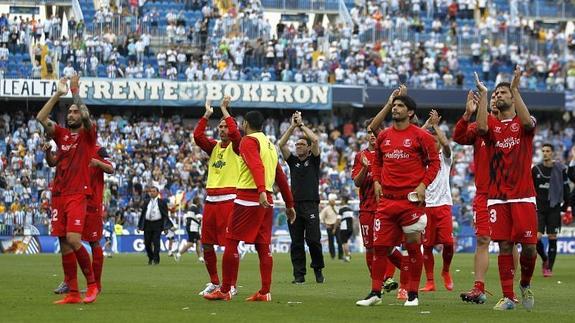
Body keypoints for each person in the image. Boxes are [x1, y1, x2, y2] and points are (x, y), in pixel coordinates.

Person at [356, 87, 440, 307]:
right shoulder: (383, 136)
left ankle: (412, 294)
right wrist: (375, 180)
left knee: (413, 247)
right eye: (394, 105)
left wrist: (423, 185)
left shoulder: (422, 136)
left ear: (410, 112)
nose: (396, 108)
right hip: (386, 202)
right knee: (379, 247)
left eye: (400, 106)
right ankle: (375, 292)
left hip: (410, 200)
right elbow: (377, 161)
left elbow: (435, 163)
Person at [204, 110, 296, 302]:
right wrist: (289, 203)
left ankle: (225, 289)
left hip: (249, 197)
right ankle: (264, 291)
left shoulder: (249, 141)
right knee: (263, 246)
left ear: (245, 124)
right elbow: (280, 175)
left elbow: (255, 166)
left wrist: (260, 189)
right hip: (267, 201)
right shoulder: (270, 145)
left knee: (231, 241)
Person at [476, 68, 538, 311]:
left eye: (503, 92)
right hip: (498, 197)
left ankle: (524, 283)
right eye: (497, 92)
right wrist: (483, 94)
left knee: (530, 247)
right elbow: (480, 128)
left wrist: (514, 88)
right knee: (504, 245)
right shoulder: (492, 125)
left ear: (512, 97)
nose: (498, 95)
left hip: (523, 195)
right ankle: (509, 297)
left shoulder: (524, 123)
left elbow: (526, 123)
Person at [37, 75, 99, 304]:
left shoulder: (88, 135)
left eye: (75, 112)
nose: (71, 114)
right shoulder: (61, 135)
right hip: (58, 195)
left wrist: (74, 91)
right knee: (63, 244)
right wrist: (58, 94)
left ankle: (91, 285)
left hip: (78, 194)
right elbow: (41, 117)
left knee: (74, 239)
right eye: (69, 112)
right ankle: (72, 292)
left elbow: (86, 116)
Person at [455, 90, 520, 304]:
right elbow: (458, 137)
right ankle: (479, 288)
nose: (494, 99)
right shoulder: (479, 129)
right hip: (484, 194)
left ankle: (511, 290)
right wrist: (467, 115)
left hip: (507, 194)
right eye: (490, 97)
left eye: (497, 97)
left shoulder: (514, 127)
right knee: (483, 239)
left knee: (509, 243)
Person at [193, 96, 241, 296]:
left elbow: (237, 135)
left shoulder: (238, 146)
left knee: (230, 244)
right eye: (219, 127)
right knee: (206, 243)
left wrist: (224, 110)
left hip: (229, 199)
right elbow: (197, 136)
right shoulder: (213, 147)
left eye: (224, 126)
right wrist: (207, 115)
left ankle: (231, 285)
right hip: (211, 200)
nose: (221, 129)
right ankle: (214, 282)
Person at [50, 145, 114, 295]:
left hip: (91, 203)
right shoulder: (68, 148)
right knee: (66, 239)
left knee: (94, 241)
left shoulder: (96, 149)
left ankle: (96, 284)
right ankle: (69, 281)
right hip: (74, 201)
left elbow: (111, 169)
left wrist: (97, 163)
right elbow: (54, 163)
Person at [278, 111, 325, 284]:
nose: (297, 146)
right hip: (294, 206)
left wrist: (302, 125)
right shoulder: (293, 162)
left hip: (311, 205)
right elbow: (281, 144)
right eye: (296, 144)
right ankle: (299, 276)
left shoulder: (313, 160)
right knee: (296, 242)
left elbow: (316, 140)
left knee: (313, 240)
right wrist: (292, 126)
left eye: (301, 144)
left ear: (307, 147)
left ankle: (318, 268)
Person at [419, 110, 455, 292]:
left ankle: (446, 271)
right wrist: (426, 125)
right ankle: (430, 281)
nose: (433, 143)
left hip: (443, 205)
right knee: (427, 246)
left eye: (435, 141)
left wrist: (435, 126)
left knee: (448, 243)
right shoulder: (422, 160)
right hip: (426, 207)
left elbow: (447, 144)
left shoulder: (445, 158)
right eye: (430, 141)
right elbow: (415, 134)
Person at [532, 143, 569, 277]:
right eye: (543, 151)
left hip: (554, 208)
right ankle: (545, 259)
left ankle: (549, 268)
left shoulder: (560, 169)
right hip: (539, 208)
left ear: (552, 153)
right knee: (536, 238)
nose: (545, 153)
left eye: (548, 151)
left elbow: (566, 188)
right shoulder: (536, 169)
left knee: (553, 236)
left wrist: (566, 204)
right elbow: (530, 189)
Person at [137, 186, 173, 265]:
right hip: (147, 224)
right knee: (147, 243)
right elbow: (143, 214)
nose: (152, 193)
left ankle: (156, 259)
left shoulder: (162, 202)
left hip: (157, 224)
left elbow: (165, 215)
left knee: (156, 242)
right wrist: (139, 226)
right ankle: (151, 257)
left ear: (157, 193)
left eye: (153, 191)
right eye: (151, 191)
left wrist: (165, 227)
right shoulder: (146, 201)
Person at [175, 197, 204, 262]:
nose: (200, 203)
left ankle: (200, 258)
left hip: (192, 227)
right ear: (197, 202)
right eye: (199, 201)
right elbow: (199, 217)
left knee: (198, 242)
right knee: (191, 243)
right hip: (192, 228)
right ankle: (178, 254)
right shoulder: (195, 208)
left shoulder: (191, 208)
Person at [319, 193, 343, 260]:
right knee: (331, 242)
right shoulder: (326, 209)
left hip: (337, 226)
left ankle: (340, 256)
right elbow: (321, 217)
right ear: (330, 201)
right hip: (329, 226)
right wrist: (325, 224)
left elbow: (339, 217)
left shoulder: (337, 208)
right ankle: (333, 255)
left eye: (334, 200)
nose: (334, 201)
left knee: (339, 241)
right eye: (333, 200)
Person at [336, 195, 354, 262]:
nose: (340, 201)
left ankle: (347, 257)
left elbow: (338, 220)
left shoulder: (341, 209)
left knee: (344, 242)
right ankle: (348, 253)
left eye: (341, 200)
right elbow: (352, 219)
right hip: (350, 228)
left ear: (343, 200)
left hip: (344, 227)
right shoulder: (350, 209)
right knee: (346, 242)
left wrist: (335, 228)